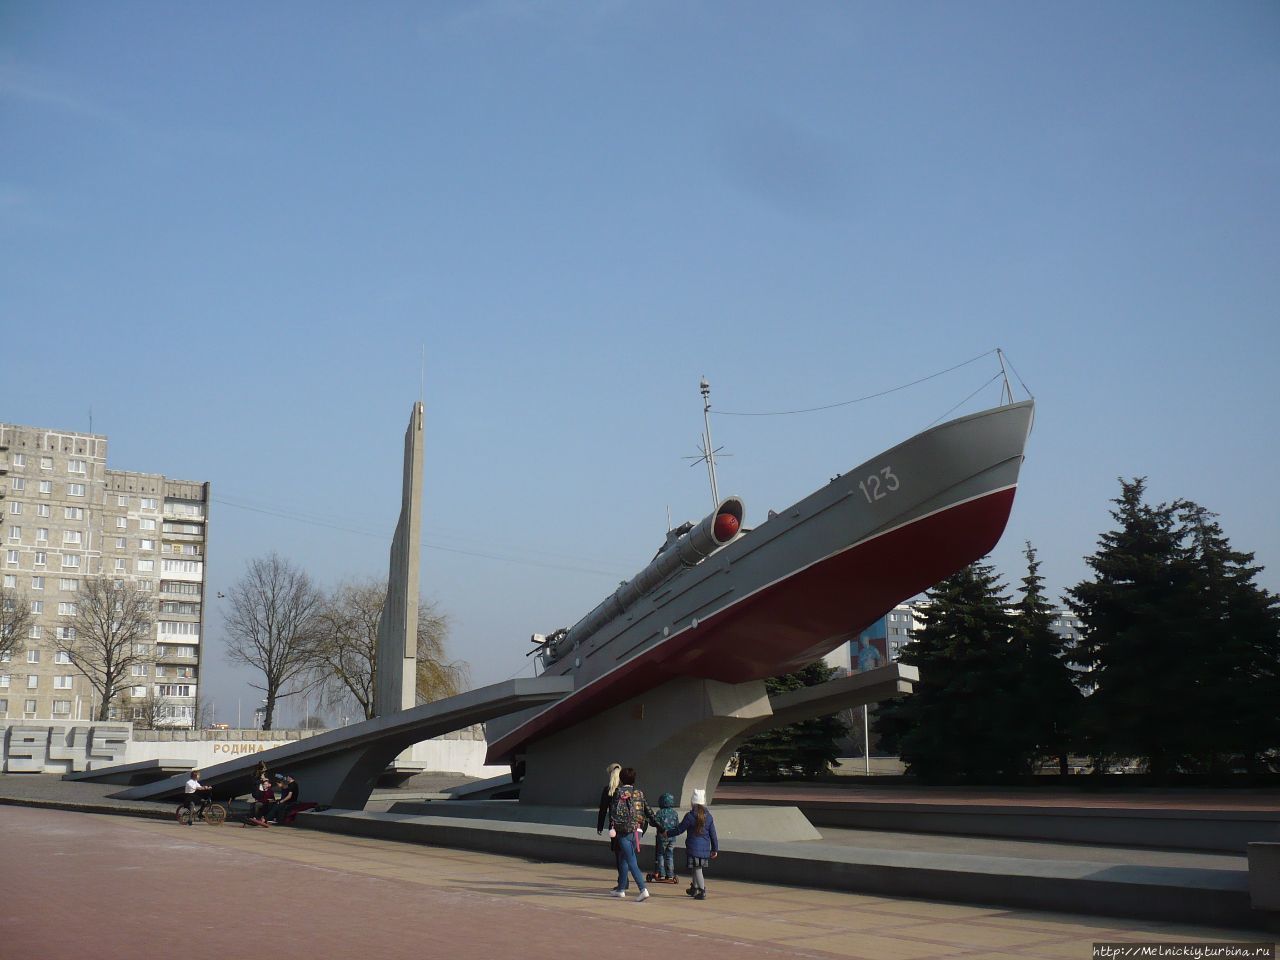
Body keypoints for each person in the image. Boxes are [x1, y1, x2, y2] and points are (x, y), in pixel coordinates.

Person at [665, 787, 718, 900]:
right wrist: (715, 849)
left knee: (697, 869)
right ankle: (694, 888)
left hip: (693, 847)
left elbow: (679, 829)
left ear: (692, 802)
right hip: (705, 848)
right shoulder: (709, 817)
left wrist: (667, 833)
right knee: (696, 867)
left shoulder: (690, 816)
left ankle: (702, 890)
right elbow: (713, 834)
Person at [607, 767, 650, 901]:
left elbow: (613, 811)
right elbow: (647, 810)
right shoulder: (639, 793)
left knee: (631, 860)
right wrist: (659, 826)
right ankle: (621, 889)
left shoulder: (618, 792)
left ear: (621, 779)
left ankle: (643, 889)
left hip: (624, 831)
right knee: (623, 859)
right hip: (638, 830)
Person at [646, 792, 680, 883]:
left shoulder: (660, 812)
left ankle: (661, 873)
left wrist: (649, 820)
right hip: (672, 837)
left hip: (661, 837)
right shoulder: (674, 813)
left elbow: (654, 823)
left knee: (660, 854)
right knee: (670, 855)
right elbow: (677, 825)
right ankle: (670, 874)